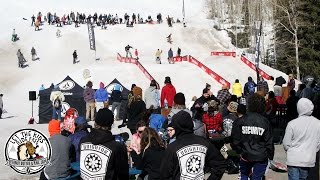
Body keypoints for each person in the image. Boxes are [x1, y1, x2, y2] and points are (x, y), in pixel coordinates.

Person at [160, 111, 227, 179]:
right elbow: (220, 164)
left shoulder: (172, 148)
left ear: (176, 127)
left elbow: (164, 174)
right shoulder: (204, 142)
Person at [231, 93, 274, 180]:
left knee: (244, 176)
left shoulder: (240, 121)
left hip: (246, 155)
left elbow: (235, 141)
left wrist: (240, 151)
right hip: (260, 156)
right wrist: (270, 156)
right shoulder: (265, 121)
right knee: (256, 177)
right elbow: (269, 141)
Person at [80, 108, 129, 179]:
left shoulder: (83, 142)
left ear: (95, 122)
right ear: (111, 124)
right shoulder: (117, 147)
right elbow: (123, 175)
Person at [283, 98, 320, 180]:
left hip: (293, 159)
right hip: (308, 160)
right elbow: (318, 144)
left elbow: (286, 143)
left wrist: (290, 151)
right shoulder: (318, 123)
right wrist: (311, 151)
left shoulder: (292, 124)